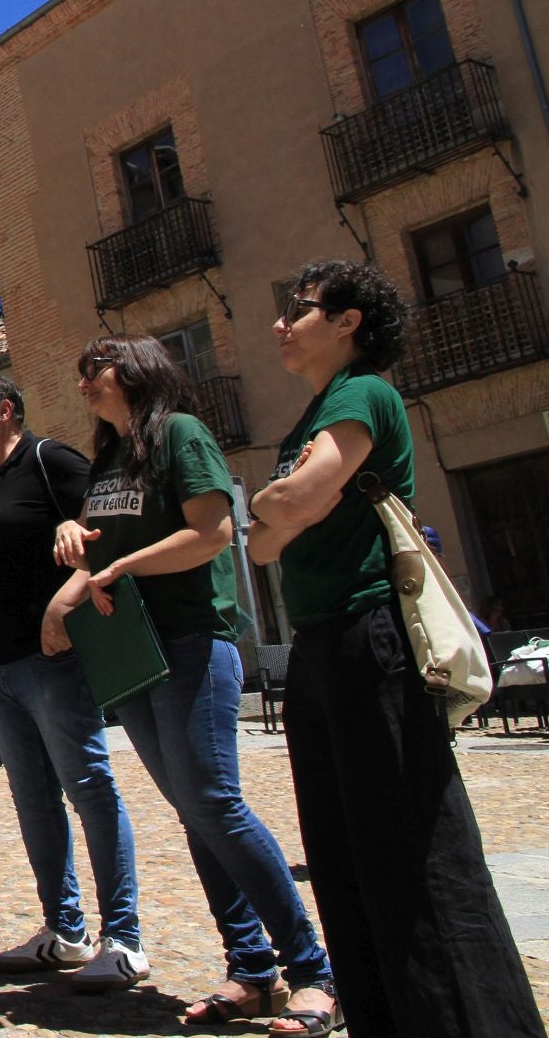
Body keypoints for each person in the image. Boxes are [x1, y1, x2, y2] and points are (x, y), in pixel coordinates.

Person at [249, 261, 545, 1038]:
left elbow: (293, 503)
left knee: (411, 849)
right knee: (343, 852)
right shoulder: (316, 412)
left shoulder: (362, 392)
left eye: (299, 308)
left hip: (368, 635)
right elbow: (264, 545)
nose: (282, 323)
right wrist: (279, 512)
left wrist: (275, 505)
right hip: (322, 646)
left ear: (348, 322)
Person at [50, 336, 335, 1029]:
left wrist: (120, 570)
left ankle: (315, 972)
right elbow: (99, 539)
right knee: (196, 811)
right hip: (135, 650)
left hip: (193, 643)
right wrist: (70, 529)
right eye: (81, 372)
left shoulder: (180, 433)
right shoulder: (112, 458)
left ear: (137, 372)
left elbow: (211, 533)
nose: (85, 381)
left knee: (215, 801)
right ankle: (252, 972)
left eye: (97, 368)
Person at [0, 372, 145, 989]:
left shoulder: (49, 459)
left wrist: (69, 597)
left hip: (54, 662)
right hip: (0, 669)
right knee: (34, 804)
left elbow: (108, 530)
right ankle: (64, 931)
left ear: (5, 411)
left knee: (90, 789)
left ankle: (124, 938)